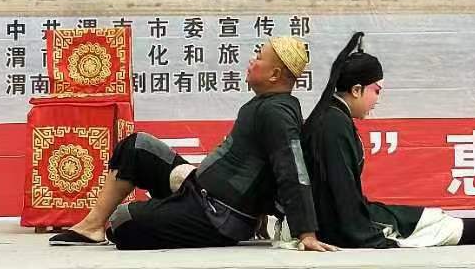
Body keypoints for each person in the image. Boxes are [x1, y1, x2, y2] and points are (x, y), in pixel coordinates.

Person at [49, 36, 336, 251]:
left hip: (216, 215)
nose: (252, 61)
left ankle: (158, 214)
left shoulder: (277, 113)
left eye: (259, 58)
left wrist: (306, 233)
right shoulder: (265, 104)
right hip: (196, 187)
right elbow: (262, 170)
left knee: (123, 222)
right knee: (137, 147)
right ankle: (92, 227)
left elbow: (292, 170)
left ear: (274, 75)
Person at [275, 31, 475, 249]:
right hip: (336, 225)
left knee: (426, 218)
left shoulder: (332, 117)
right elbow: (339, 195)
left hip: (335, 217)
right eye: (376, 91)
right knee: (427, 227)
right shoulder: (333, 124)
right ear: (357, 90)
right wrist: (360, 230)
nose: (377, 100)